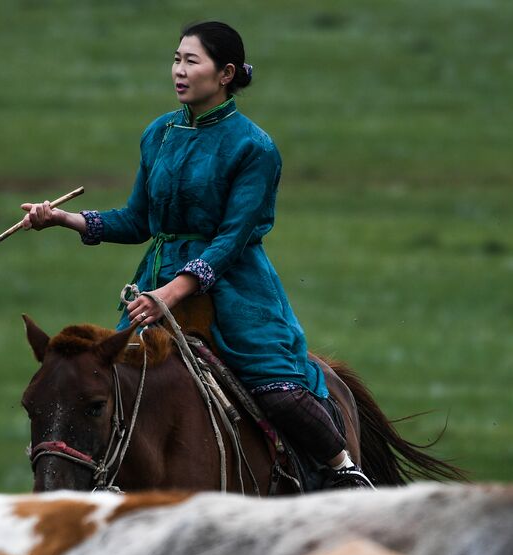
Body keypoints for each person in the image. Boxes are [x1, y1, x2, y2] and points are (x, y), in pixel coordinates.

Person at [20, 21, 372, 489]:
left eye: (192, 61)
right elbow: (139, 221)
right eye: (176, 59)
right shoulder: (158, 133)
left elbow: (231, 239)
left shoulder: (255, 147)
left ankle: (346, 474)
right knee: (108, 389)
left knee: (279, 391)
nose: (179, 71)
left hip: (234, 289)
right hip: (157, 283)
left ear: (225, 73)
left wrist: (168, 293)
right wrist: (65, 220)